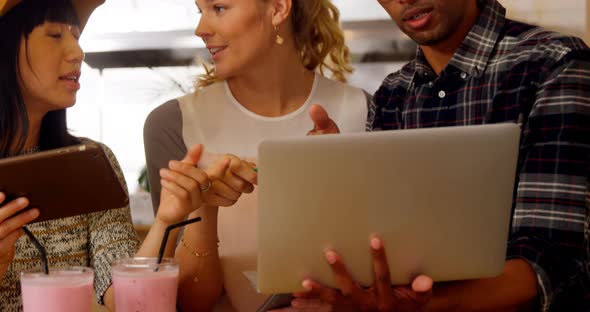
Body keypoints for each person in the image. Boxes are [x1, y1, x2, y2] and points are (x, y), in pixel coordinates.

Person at [298, 0, 590, 311]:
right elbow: (390, 245)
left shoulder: (554, 64)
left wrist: (418, 305)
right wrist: (342, 188)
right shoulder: (393, 94)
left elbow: (552, 264)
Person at [142, 0, 370, 310]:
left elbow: (384, 275)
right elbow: (185, 302)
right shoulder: (173, 124)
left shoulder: (364, 110)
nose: (200, 29)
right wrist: (206, 209)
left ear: (278, 9)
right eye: (201, 10)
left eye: (219, 8)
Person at [0, 0, 216, 310]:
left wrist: (167, 218)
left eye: (76, 35)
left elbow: (124, 300)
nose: (77, 52)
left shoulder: (90, 164)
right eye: (55, 35)